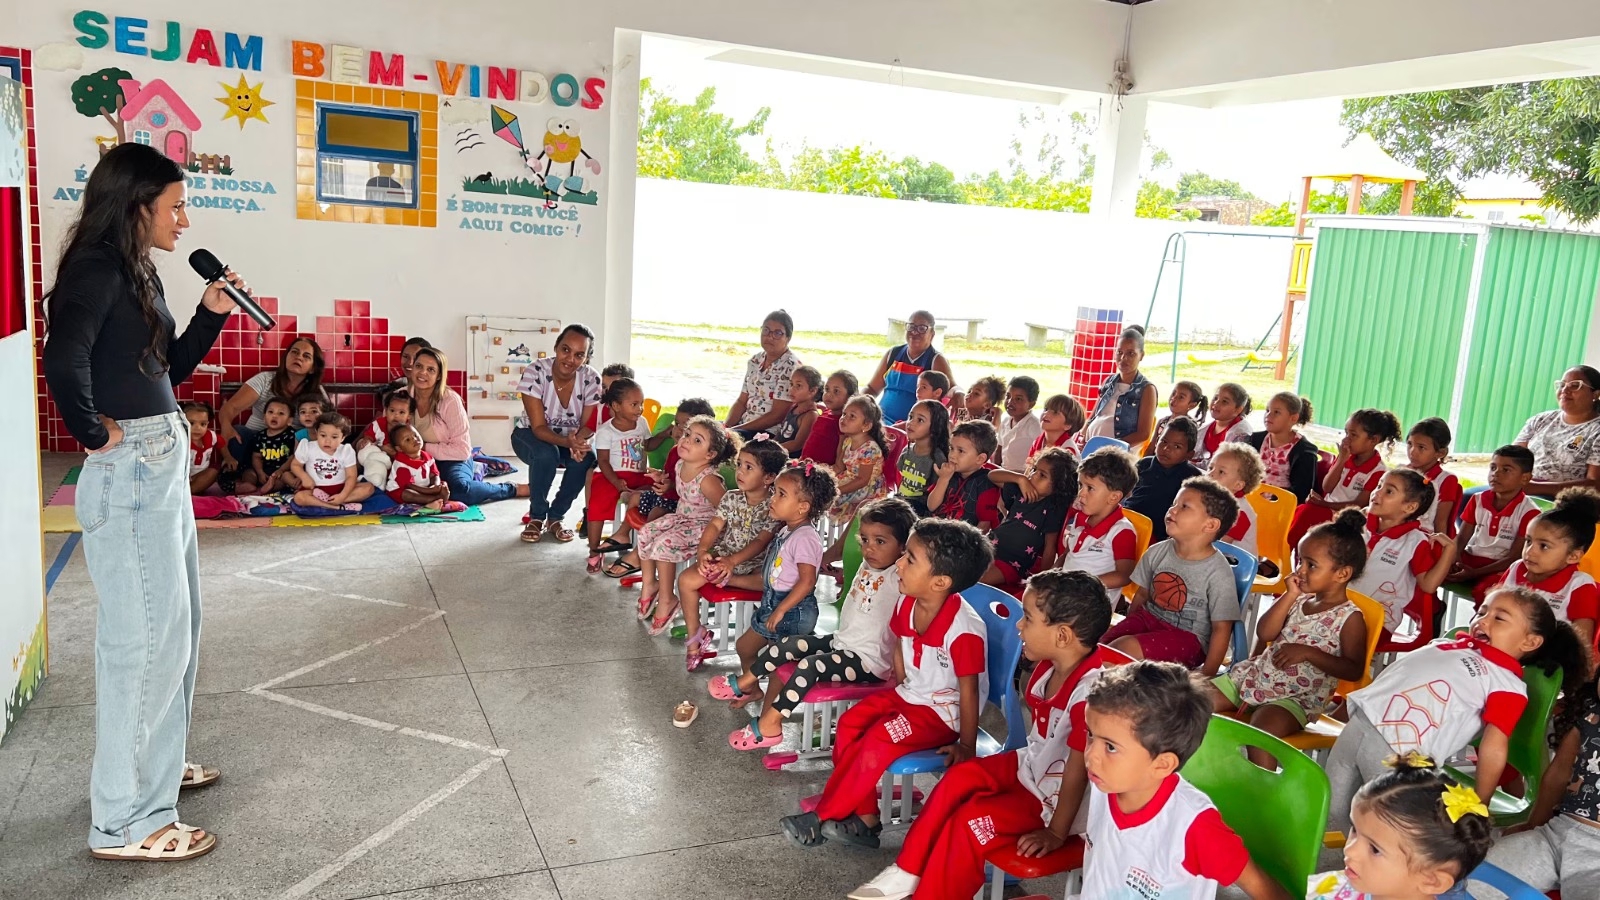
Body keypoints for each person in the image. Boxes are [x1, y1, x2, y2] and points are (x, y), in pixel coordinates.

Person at [41, 142, 248, 861]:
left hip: (158, 461)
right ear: (136, 207)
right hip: (131, 468)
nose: (183, 220)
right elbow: (62, 357)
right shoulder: (97, 269)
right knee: (145, 641)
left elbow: (168, 369)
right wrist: (93, 432)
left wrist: (210, 314)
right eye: (175, 207)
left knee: (175, 630)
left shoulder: (137, 270)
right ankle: (128, 820)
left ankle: (153, 766)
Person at [848, 570, 1114, 900]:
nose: (1019, 626)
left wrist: (1057, 832)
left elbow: (1077, 772)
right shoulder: (1048, 666)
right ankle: (907, 870)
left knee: (969, 821)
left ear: (1062, 636)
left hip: (1056, 801)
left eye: (1028, 619)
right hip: (1032, 767)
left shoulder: (1090, 698)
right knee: (959, 778)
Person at [778, 519, 993, 850]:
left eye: (910, 559)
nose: (900, 563)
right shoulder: (908, 600)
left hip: (942, 714)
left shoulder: (965, 630)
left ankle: (822, 817)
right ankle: (865, 819)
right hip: (910, 696)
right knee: (849, 723)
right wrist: (902, 688)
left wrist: (966, 745)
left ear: (940, 582)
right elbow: (900, 646)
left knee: (878, 738)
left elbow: (969, 690)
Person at [1326, 586, 1587, 833]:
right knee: (1337, 810)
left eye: (1499, 618)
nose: (1482, 620)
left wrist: (1480, 802)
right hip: (1359, 725)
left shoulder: (1507, 684)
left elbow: (1494, 746)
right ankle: (1361, 861)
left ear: (1530, 642)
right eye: (1482, 611)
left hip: (1401, 751)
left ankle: (1391, 865)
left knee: (1388, 826)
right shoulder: (1450, 643)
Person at [1075, 662, 1289, 900]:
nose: (1091, 755)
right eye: (1090, 735)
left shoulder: (1194, 826)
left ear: (1162, 764)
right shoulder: (1106, 781)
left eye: (1111, 747)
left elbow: (1260, 887)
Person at [728, 497, 915, 750]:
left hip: (867, 662)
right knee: (788, 644)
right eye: (864, 540)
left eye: (880, 541)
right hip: (842, 643)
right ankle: (745, 683)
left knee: (809, 666)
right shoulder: (869, 564)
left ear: (903, 547)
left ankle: (770, 725)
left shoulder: (899, 577)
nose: (869, 548)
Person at [1209, 509, 1369, 764]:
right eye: (1300, 561)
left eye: (1311, 565)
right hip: (1255, 677)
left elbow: (1354, 670)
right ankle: (1204, 771)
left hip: (1294, 698)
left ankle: (1263, 788)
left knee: (1260, 737)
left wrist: (1308, 653)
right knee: (1195, 703)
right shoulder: (1298, 600)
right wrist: (1290, 596)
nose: (1300, 570)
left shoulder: (1350, 618)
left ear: (1342, 574)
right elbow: (1265, 632)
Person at [704, 461, 839, 708]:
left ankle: (767, 718)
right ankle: (753, 690)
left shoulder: (806, 537)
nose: (772, 499)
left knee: (779, 667)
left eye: (781, 494)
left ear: (802, 507)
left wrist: (781, 610)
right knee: (745, 647)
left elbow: (808, 582)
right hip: (773, 603)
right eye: (775, 491)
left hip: (793, 611)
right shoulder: (788, 529)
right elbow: (776, 574)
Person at [1474, 670, 1600, 900]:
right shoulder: (1590, 715)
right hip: (1555, 835)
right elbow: (1558, 774)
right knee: (1470, 876)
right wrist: (1534, 823)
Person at [1102, 477, 1240, 674]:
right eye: (1174, 504)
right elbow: (1141, 595)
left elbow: (1222, 628)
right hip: (1148, 619)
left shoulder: (1218, 573)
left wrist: (1207, 675)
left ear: (1210, 525)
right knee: (1102, 645)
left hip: (1189, 639)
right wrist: (1130, 628)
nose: (1172, 510)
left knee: (1123, 649)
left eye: (1184, 507)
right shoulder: (1157, 551)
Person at [677, 436, 788, 670]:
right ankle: (695, 636)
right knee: (686, 580)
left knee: (769, 582)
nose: (740, 472)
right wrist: (703, 551)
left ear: (769, 477)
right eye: (739, 465)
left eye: (749, 467)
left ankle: (731, 580)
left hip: (756, 563)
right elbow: (715, 525)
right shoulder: (732, 497)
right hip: (725, 556)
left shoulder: (773, 505)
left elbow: (761, 541)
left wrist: (732, 562)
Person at [1312, 763, 1493, 900]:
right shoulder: (1341, 885)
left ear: (1431, 880)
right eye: (1354, 830)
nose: (1350, 850)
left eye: (1374, 849)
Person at [637, 416, 739, 632]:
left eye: (697, 440)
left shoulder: (708, 480)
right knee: (646, 532)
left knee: (664, 545)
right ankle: (650, 584)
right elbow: (681, 489)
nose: (686, 440)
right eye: (687, 434)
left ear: (710, 455)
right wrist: (665, 483)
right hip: (683, 519)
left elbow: (727, 512)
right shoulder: (681, 464)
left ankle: (667, 599)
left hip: (704, 527)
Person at [1483, 487, 1600, 649]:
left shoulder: (1579, 585)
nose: (1529, 551)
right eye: (1528, 541)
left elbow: (1581, 646)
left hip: (1550, 660)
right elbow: (1491, 611)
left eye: (1544, 546)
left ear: (1573, 556)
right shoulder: (1516, 569)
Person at [511, 323, 598, 540]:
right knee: (546, 454)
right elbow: (539, 428)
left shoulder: (591, 379)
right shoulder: (535, 372)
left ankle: (556, 517)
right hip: (529, 435)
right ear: (556, 347)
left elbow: (589, 424)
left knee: (587, 458)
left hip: (570, 439)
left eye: (579, 355)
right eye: (565, 349)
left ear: (586, 358)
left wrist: (578, 442)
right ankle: (537, 516)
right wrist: (569, 443)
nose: (570, 359)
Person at [410, 346, 524, 509]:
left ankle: (511, 489)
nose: (423, 373)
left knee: (459, 490)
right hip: (417, 460)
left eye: (430, 369)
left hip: (451, 459)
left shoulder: (450, 401)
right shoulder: (401, 397)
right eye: (419, 366)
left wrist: (423, 448)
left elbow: (462, 450)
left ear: (439, 375)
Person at [1351, 469, 1456, 638]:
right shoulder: (1358, 523)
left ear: (1410, 507)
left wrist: (1449, 550)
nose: (1377, 493)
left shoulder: (1415, 541)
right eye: (1379, 485)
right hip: (1341, 607)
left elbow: (1428, 585)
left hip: (1378, 620)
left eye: (1389, 491)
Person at [584, 377, 672, 572]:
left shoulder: (641, 423)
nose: (640, 409)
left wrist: (663, 434)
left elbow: (647, 445)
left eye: (641, 404)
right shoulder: (605, 431)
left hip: (639, 474)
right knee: (596, 505)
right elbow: (603, 461)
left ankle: (626, 537)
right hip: (611, 475)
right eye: (634, 404)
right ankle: (594, 551)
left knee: (657, 492)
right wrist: (616, 482)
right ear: (616, 406)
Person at [1288, 408, 1402, 549]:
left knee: (1308, 512)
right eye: (1346, 433)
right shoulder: (1345, 457)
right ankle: (1288, 551)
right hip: (1327, 509)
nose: (1346, 440)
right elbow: (1327, 487)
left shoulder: (1378, 471)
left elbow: (1359, 505)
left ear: (1373, 440)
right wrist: (1341, 460)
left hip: (1348, 519)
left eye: (1353, 435)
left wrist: (1324, 504)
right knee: (1302, 511)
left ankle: (1285, 551)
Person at [215, 337, 326, 469]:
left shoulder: (317, 393)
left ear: (313, 368)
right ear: (286, 357)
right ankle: (238, 474)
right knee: (238, 433)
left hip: (291, 449)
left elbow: (327, 424)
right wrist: (226, 427)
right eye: (294, 352)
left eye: (306, 356)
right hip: (256, 442)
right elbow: (231, 407)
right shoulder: (264, 380)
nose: (298, 357)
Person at [1448, 445, 1540, 601]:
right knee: (1430, 567)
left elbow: (1514, 557)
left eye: (1506, 470)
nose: (1496, 474)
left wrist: (1474, 573)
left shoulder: (1530, 512)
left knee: (1490, 592)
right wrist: (1455, 560)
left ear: (1525, 478)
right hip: (1469, 558)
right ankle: (1432, 610)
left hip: (1499, 567)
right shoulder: (1477, 499)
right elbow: (1462, 538)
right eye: (1493, 467)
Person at [979, 448, 1078, 586]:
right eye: (1034, 469)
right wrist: (1020, 478)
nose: (1033, 475)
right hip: (987, 546)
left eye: (1042, 475)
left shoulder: (1053, 508)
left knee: (977, 579)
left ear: (1058, 485)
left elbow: (1049, 548)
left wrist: (1041, 580)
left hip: (1011, 564)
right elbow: (992, 475)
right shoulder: (1021, 489)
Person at [1062, 447, 1141, 601]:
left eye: (1090, 488)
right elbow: (1067, 555)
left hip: (1091, 605)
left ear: (1113, 497)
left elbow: (1124, 576)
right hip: (1065, 595)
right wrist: (1051, 576)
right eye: (1080, 485)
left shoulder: (1122, 531)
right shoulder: (1080, 518)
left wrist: (1083, 586)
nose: (1081, 493)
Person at [1515, 364, 1600, 498]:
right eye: (1562, 385)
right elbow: (1511, 457)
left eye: (1575, 385)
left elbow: (1595, 484)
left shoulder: (1596, 430)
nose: (1564, 390)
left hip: (1566, 499)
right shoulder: (1541, 419)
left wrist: (1535, 488)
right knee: (1479, 497)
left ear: (1595, 394)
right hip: (1523, 489)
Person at [866, 311, 957, 425]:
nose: (914, 332)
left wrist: (959, 392)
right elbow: (872, 389)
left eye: (922, 328)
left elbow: (952, 389)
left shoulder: (936, 360)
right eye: (911, 326)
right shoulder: (893, 354)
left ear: (932, 334)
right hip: (879, 421)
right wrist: (857, 403)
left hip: (911, 427)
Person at [1126, 418, 1202, 544]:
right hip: (1126, 521)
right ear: (1157, 441)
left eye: (1177, 446)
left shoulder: (1192, 478)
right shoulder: (1144, 464)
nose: (1166, 448)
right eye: (1164, 441)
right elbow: (1126, 492)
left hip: (1158, 535)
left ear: (1189, 454)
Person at [726, 309, 800, 437]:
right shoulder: (755, 360)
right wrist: (726, 427)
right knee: (706, 431)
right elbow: (741, 402)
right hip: (743, 425)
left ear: (788, 338)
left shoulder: (791, 367)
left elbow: (777, 416)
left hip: (768, 433)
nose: (770, 336)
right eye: (766, 330)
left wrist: (734, 431)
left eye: (778, 333)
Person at [1084, 325, 1158, 452]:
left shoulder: (1147, 390)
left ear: (1141, 356)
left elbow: (1144, 433)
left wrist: (1111, 447)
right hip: (1092, 448)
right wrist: (1084, 432)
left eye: (1131, 353)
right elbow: (1095, 414)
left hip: (1119, 454)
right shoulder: (1109, 381)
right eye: (1119, 352)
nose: (1123, 358)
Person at [289, 411, 371, 511]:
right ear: (317, 433)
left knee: (369, 488)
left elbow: (351, 476)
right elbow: (295, 465)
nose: (327, 441)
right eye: (323, 435)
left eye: (334, 437)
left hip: (340, 488)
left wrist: (342, 496)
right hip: (314, 490)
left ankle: (335, 502)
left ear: (343, 437)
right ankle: (336, 506)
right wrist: (304, 477)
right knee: (299, 498)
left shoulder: (346, 450)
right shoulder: (308, 447)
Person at [928, 420, 1001, 532]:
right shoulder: (948, 473)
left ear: (980, 459)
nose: (952, 455)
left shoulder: (986, 484)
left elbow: (985, 525)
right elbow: (931, 506)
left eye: (960, 451)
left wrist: (968, 542)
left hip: (964, 538)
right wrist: (943, 479)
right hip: (938, 529)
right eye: (951, 448)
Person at [1247, 392, 1319, 503]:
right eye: (1267, 410)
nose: (1268, 416)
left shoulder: (1304, 451)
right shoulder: (1255, 440)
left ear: (1293, 418)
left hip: (1281, 505)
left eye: (1276, 412)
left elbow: (1301, 492)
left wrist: (1271, 500)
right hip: (1249, 499)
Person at [830, 395, 890, 526]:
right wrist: (822, 475)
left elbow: (863, 480)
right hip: (851, 479)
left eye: (852, 416)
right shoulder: (848, 441)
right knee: (819, 488)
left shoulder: (870, 449)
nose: (844, 418)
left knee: (829, 497)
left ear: (866, 425)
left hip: (866, 489)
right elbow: (839, 466)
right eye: (844, 414)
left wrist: (838, 490)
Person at [1209, 442, 1267, 563]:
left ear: (1238, 485)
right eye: (1210, 468)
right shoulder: (1212, 498)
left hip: (1237, 565)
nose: (1211, 474)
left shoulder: (1239, 513)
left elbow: (1220, 545)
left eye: (1221, 472)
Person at [1407, 417, 1462, 536]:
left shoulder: (1445, 480)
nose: (1412, 451)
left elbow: (1440, 522)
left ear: (1440, 453)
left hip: (1427, 537)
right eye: (1410, 444)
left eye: (1421, 447)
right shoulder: (1401, 473)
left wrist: (1441, 546)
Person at [896, 399, 949, 516]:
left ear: (934, 428)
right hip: (901, 501)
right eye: (911, 417)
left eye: (920, 420)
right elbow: (901, 477)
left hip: (920, 510)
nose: (911, 423)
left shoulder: (938, 459)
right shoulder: (907, 450)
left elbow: (937, 494)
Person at [236, 397, 296, 494]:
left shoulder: (292, 435)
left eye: (281, 413)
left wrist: (281, 470)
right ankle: (248, 485)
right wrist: (260, 473)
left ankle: (271, 487)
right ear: (264, 418)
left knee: (286, 478)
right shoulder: (259, 436)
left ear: (289, 420)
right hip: (263, 470)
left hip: (281, 471)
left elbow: (293, 457)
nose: (274, 416)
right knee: (249, 472)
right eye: (270, 412)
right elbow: (256, 457)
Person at [385, 423, 452, 509]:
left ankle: (433, 499)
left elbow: (434, 475)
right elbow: (409, 485)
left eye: (415, 435)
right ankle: (434, 499)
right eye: (408, 440)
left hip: (425, 488)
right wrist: (429, 491)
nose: (414, 439)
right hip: (403, 490)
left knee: (443, 484)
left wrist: (435, 485)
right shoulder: (401, 464)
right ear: (399, 448)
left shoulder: (427, 457)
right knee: (408, 494)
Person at [356, 390, 412, 492]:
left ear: (409, 415)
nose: (396, 415)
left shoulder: (408, 431)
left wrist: (396, 454)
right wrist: (368, 442)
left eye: (401, 412)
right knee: (363, 448)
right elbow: (368, 437)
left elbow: (412, 452)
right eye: (392, 411)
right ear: (386, 411)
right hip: (376, 465)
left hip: (396, 468)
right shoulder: (378, 424)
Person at [800, 370, 855, 465]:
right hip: (805, 463)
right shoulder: (826, 412)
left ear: (850, 397)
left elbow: (841, 453)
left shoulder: (843, 422)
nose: (829, 394)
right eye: (827, 389)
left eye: (836, 391)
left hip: (821, 469)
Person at [1145, 381, 1207, 459]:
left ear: (1192, 405)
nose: (1174, 398)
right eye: (1173, 393)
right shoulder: (1162, 422)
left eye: (1181, 397)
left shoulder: (1191, 428)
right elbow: (1152, 446)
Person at [1196, 383, 1252, 468]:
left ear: (1238, 409)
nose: (1216, 403)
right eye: (1215, 398)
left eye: (1224, 401)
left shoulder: (1240, 434)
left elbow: (1228, 464)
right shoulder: (1205, 429)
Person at [996, 376, 1042, 470]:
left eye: (1018, 399)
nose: (1010, 402)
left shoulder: (1035, 426)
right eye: (1008, 396)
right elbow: (999, 449)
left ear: (1031, 404)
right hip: (1002, 471)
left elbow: (1039, 456)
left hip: (1022, 474)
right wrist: (995, 468)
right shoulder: (1005, 421)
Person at [1028, 394, 1085, 467]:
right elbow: (1029, 468)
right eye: (1046, 409)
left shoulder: (1067, 450)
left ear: (1067, 425)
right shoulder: (1038, 442)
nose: (1046, 413)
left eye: (1055, 412)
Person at [776, 365, 821, 456]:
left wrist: (773, 449)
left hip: (791, 458)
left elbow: (797, 444)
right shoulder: (794, 407)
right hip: (778, 451)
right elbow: (780, 433)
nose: (791, 389)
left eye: (798, 386)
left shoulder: (810, 415)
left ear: (813, 391)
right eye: (791, 384)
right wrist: (769, 444)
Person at [181, 401, 219, 495]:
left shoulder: (210, 436)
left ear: (208, 424)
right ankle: (184, 494)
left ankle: (190, 493)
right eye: (191, 423)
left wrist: (228, 457)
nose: (198, 428)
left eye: (203, 424)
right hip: (181, 479)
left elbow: (222, 443)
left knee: (214, 471)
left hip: (200, 477)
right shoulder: (180, 440)